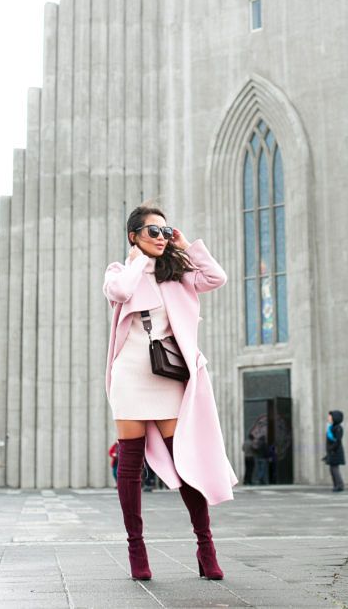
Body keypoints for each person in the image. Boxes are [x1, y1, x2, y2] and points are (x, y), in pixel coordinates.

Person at [103, 204, 238, 581]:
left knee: (185, 462)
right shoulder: (119, 272)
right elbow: (121, 290)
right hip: (129, 376)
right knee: (129, 467)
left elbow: (217, 277)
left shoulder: (178, 274)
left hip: (168, 376)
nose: (161, 238)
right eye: (153, 232)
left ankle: (205, 545)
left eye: (166, 231)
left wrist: (187, 245)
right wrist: (135, 261)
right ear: (134, 236)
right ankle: (136, 548)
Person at [324, 410, 345, 492]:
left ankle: (340, 485)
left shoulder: (338, 428)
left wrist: (331, 449)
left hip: (336, 451)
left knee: (335, 469)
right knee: (332, 469)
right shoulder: (331, 427)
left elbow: (338, 441)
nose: (328, 418)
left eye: (330, 416)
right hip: (331, 451)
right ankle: (336, 485)